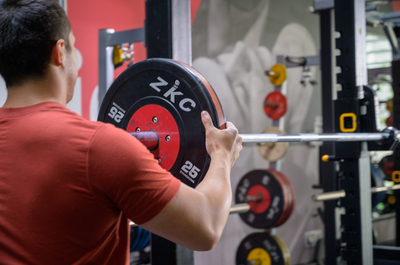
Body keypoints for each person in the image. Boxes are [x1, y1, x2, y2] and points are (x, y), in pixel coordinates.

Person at [0, 0, 243, 264]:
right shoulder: (101, 148)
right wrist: (221, 155)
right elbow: (205, 228)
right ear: (60, 52)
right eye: (73, 45)